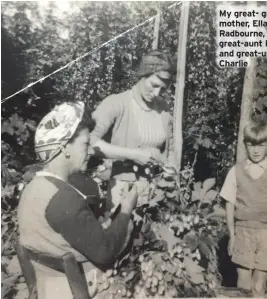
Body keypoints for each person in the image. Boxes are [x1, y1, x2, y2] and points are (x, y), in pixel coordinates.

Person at [17, 101, 137, 299]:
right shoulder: (64, 199)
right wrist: (125, 211)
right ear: (65, 148)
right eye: (85, 144)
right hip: (78, 290)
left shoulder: (33, 188)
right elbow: (106, 251)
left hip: (48, 287)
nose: (90, 151)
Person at [90, 50, 176, 210]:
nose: (157, 93)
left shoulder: (163, 108)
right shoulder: (117, 103)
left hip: (154, 192)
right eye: (154, 85)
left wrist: (169, 169)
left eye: (163, 89)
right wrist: (132, 154)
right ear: (142, 75)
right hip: (122, 190)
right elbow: (89, 142)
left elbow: (170, 148)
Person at [220, 118, 267, 297]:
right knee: (244, 285)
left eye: (260, 145)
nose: (255, 150)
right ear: (245, 144)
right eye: (251, 144)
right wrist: (232, 235)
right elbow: (229, 204)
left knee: (259, 286)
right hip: (243, 232)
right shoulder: (236, 172)